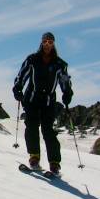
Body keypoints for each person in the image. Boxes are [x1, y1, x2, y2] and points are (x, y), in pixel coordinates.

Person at [12, 32, 73, 175]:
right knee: (32, 126)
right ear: (41, 43)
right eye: (45, 41)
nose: (47, 44)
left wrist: (67, 93)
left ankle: (54, 163)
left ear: (53, 44)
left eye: (50, 42)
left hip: (48, 101)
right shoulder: (32, 59)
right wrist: (17, 88)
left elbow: (64, 81)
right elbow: (22, 75)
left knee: (48, 131)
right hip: (31, 99)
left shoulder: (59, 64)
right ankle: (34, 157)